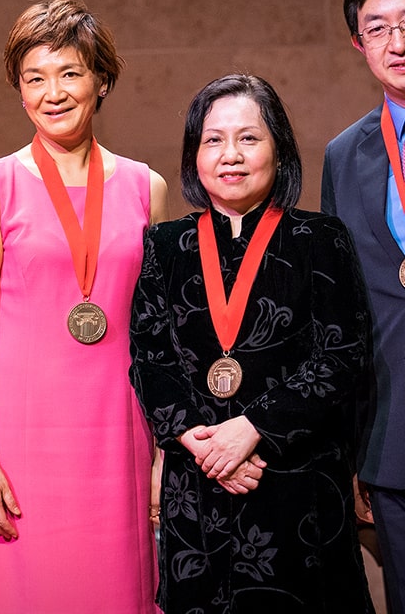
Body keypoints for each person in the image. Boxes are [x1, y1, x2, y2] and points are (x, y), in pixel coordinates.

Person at [130, 73, 374, 613]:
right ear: (194, 155)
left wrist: (252, 428)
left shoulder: (321, 238)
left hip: (298, 485)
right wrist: (202, 445)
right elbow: (150, 359)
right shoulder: (164, 245)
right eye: (213, 140)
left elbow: (341, 357)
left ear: (279, 150)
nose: (231, 155)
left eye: (248, 138)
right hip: (198, 488)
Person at [0, 0, 168, 613]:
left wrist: (165, 452)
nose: (53, 93)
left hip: (121, 439)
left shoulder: (146, 188)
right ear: (19, 90)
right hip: (22, 443)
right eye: (35, 78)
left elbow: (161, 338)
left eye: (70, 73)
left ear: (101, 80)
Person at [322, 0, 405, 613]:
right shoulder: (344, 157)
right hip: (393, 439)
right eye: (377, 28)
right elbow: (340, 314)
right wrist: (351, 448)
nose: (397, 43)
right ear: (359, 42)